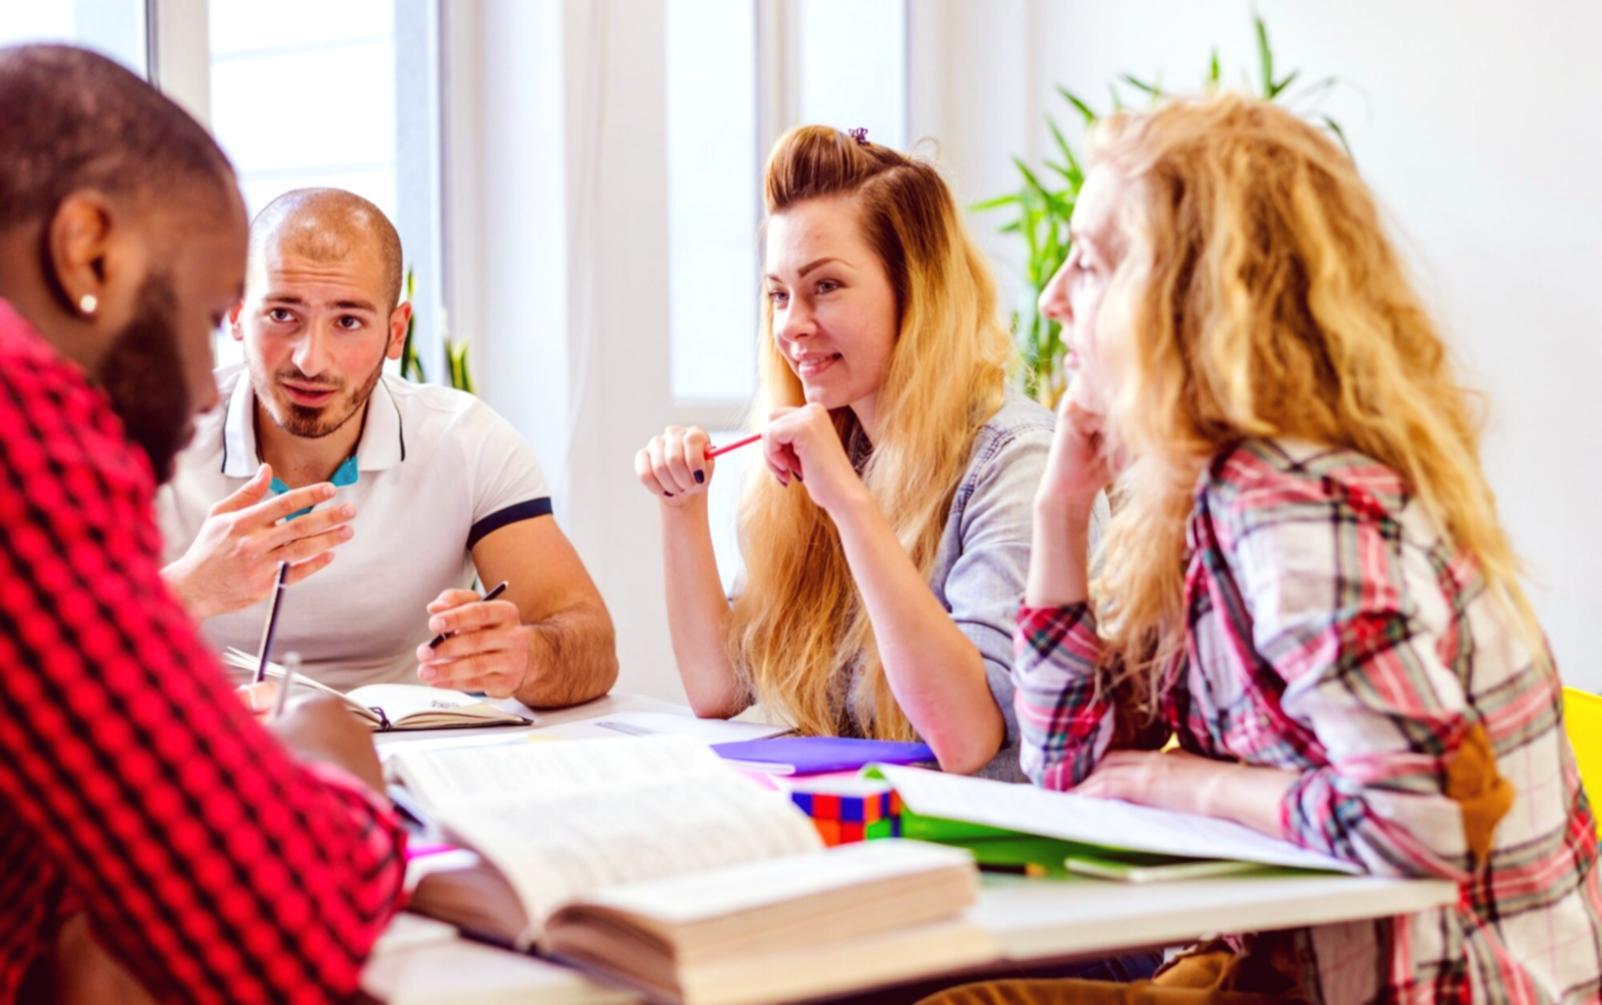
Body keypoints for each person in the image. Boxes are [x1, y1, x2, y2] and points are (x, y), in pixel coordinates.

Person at [933, 93, 1602, 1004]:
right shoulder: (1193, 498)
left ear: (1196, 299)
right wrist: (1061, 510)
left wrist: (1182, 782)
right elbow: (1067, 768)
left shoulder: (1291, 500)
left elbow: (1425, 819)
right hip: (1303, 966)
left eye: (1089, 264)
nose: (1051, 298)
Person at [0, 45, 406, 1003]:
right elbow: (277, 935)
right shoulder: (21, 417)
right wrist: (326, 751)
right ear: (89, 250)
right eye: (211, 311)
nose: (198, 384)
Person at [636, 126, 1058, 778]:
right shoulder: (836, 445)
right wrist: (681, 507)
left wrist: (849, 504)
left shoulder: (1016, 462)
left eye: (825, 286)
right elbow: (718, 690)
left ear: (915, 292)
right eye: (778, 294)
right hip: (862, 833)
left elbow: (969, 739)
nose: (791, 325)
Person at [157, 188, 617, 705]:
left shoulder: (467, 442)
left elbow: (592, 646)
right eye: (283, 315)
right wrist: (188, 589)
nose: (312, 360)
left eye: (348, 322)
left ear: (396, 332)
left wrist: (525, 657)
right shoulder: (150, 439)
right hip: (207, 754)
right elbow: (53, 647)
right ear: (238, 314)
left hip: (406, 758)